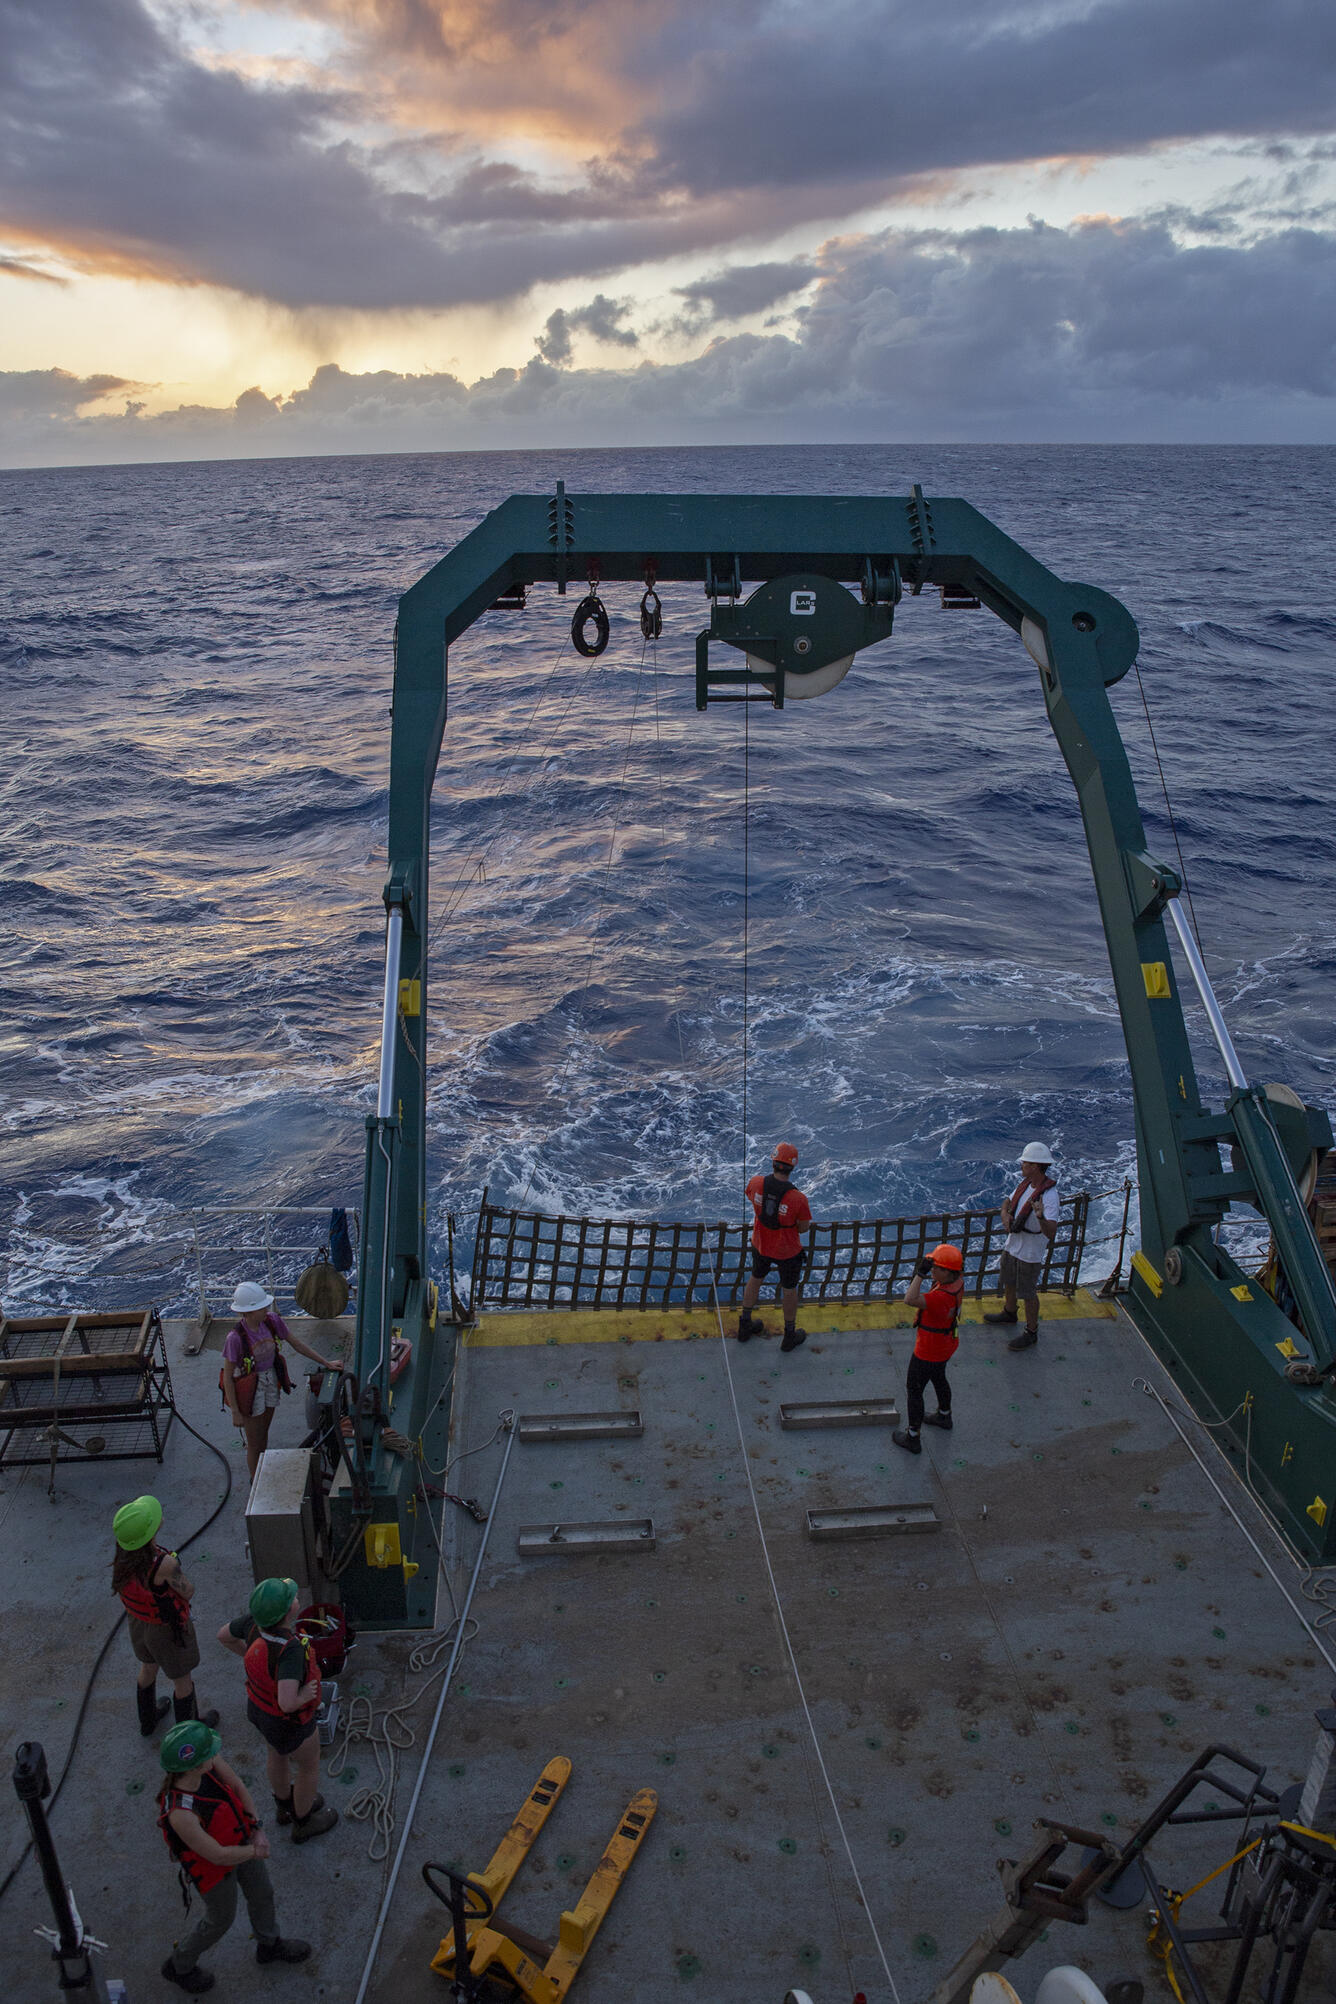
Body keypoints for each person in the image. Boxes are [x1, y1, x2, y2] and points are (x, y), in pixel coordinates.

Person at [157, 1718, 310, 1994]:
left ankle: (269, 1944)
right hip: (216, 1868)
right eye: (208, 1753)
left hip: (240, 1840)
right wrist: (255, 1850)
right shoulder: (181, 1813)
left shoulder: (209, 1765)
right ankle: (180, 1964)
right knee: (219, 1920)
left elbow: (238, 1787)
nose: (215, 1755)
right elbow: (216, 1855)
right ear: (192, 1766)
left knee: (262, 1893)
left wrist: (256, 1828)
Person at [217, 1577, 338, 1844]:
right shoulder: (290, 1650)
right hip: (288, 1721)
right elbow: (286, 1702)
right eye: (292, 1598)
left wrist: (249, 1652)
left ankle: (284, 1807)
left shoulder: (252, 1624)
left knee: (277, 1753)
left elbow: (223, 1635)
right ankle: (303, 1821)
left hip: (260, 1712)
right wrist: (304, 1695)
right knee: (308, 1766)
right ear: (288, 1612)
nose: (297, 1599)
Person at [112, 1495, 219, 1737]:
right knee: (182, 1680)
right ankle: (189, 1735)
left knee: (147, 1667)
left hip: (138, 1622)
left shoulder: (123, 1557)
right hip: (166, 1630)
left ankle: (147, 1721)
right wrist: (176, 1566)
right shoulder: (164, 1564)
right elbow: (188, 1591)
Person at [221, 1281, 342, 1480]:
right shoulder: (234, 1339)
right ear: (249, 1312)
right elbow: (227, 1376)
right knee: (254, 1441)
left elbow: (296, 1344)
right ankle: (256, 1481)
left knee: (263, 1431)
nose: (266, 1310)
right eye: (262, 1308)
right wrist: (235, 1411)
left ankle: (261, 1467)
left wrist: (325, 1362)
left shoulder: (272, 1321)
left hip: (270, 1380)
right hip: (251, 1388)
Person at [738, 1141, 813, 1354]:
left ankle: (745, 1325)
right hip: (787, 1251)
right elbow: (803, 1228)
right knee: (789, 1290)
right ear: (792, 1167)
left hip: (761, 1244)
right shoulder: (798, 1199)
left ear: (773, 1161)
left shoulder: (756, 1182)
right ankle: (789, 1336)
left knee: (755, 1278)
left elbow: (751, 1196)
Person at [984, 1141, 1060, 1350]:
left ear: (1035, 1166)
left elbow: (1051, 1231)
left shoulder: (1050, 1197)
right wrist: (1004, 1215)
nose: (1022, 1165)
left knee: (1027, 1292)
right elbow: (1008, 1201)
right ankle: (1009, 1312)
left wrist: (1040, 1216)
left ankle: (1031, 1331)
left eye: (1025, 1163)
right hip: (1014, 1244)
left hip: (1030, 1251)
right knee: (1008, 1279)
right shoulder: (1025, 1184)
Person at [893, 1242, 965, 1454]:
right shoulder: (958, 1283)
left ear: (948, 1272)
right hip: (946, 1343)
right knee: (939, 1377)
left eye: (936, 1268)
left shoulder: (940, 1297)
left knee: (915, 1390)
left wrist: (920, 1274)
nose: (932, 1270)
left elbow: (910, 1299)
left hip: (929, 1350)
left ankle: (913, 1437)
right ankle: (944, 1415)